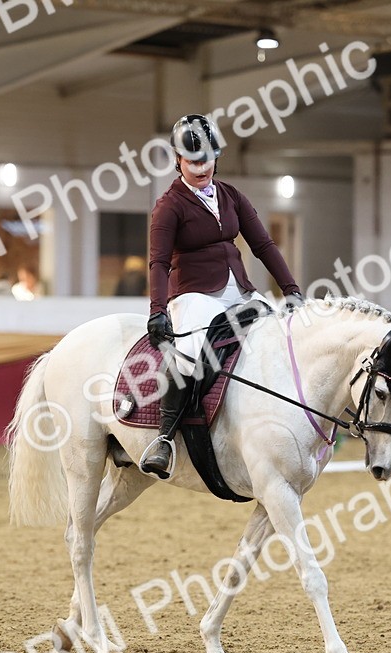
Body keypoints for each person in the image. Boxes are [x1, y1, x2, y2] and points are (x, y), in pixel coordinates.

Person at [141, 113, 303, 478]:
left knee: (277, 335)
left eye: (207, 159)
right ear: (178, 160)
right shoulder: (169, 206)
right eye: (193, 161)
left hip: (239, 288)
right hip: (194, 293)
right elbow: (159, 262)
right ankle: (166, 438)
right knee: (189, 354)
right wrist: (158, 310)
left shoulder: (231, 196)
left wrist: (291, 289)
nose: (201, 167)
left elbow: (263, 245)